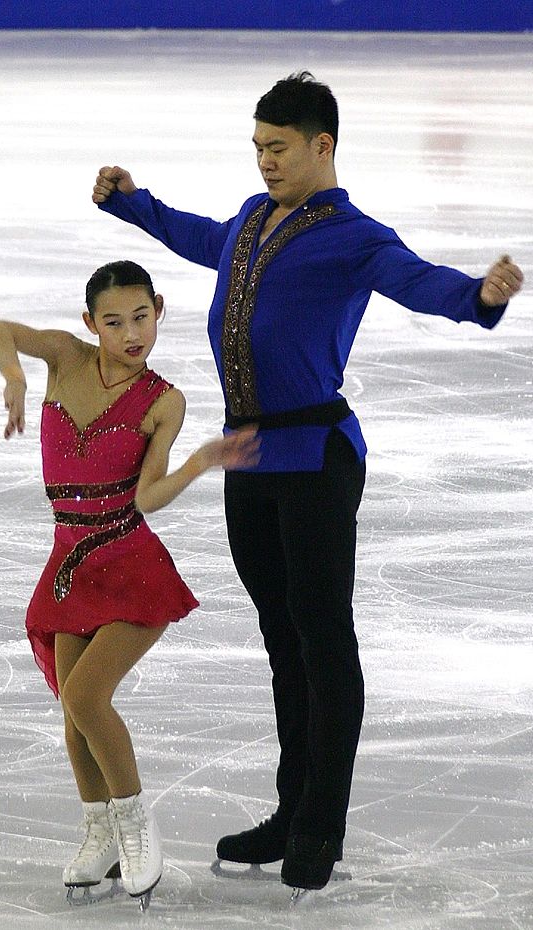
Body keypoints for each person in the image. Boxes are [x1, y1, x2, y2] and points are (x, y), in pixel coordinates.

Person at [90, 72, 524, 893]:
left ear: (322, 146)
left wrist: (478, 296)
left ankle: (321, 827)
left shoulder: (353, 234)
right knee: (283, 642)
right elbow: (201, 235)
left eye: (278, 149)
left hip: (316, 461)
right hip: (248, 462)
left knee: (324, 643)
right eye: (257, 148)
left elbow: (419, 279)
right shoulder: (254, 220)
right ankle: (291, 814)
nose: (264, 163)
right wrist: (134, 204)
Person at [0, 260, 258, 907]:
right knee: (73, 716)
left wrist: (197, 462)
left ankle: (135, 826)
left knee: (86, 697)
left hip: (131, 568)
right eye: (114, 322)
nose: (131, 333)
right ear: (90, 324)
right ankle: (99, 832)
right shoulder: (65, 359)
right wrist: (16, 376)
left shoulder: (164, 400)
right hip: (69, 567)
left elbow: (150, 493)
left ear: (159, 308)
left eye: (141, 317)